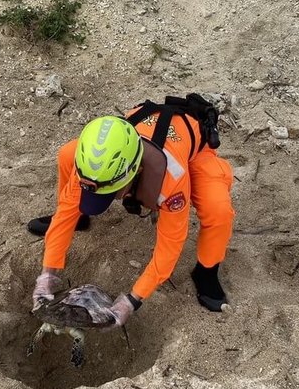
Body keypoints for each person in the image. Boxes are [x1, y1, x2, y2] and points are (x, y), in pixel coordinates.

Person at [27, 97, 235, 328]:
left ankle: (207, 271)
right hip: (134, 140)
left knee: (218, 210)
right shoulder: (93, 166)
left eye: (110, 193)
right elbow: (65, 213)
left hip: (194, 153)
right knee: (67, 154)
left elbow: (170, 246)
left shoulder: (172, 181)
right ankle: (82, 218)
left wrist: (133, 300)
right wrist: (47, 274)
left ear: (134, 174)